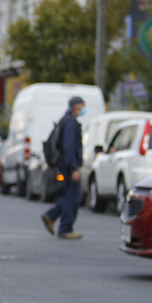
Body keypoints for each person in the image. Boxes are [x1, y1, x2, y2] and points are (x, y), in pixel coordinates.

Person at [41, 97, 85, 240]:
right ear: (74, 106)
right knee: (73, 196)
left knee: (69, 195)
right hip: (68, 166)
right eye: (81, 106)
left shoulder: (66, 121)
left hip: (65, 164)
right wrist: (73, 168)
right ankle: (65, 228)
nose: (83, 109)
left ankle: (51, 216)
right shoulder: (70, 124)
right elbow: (69, 147)